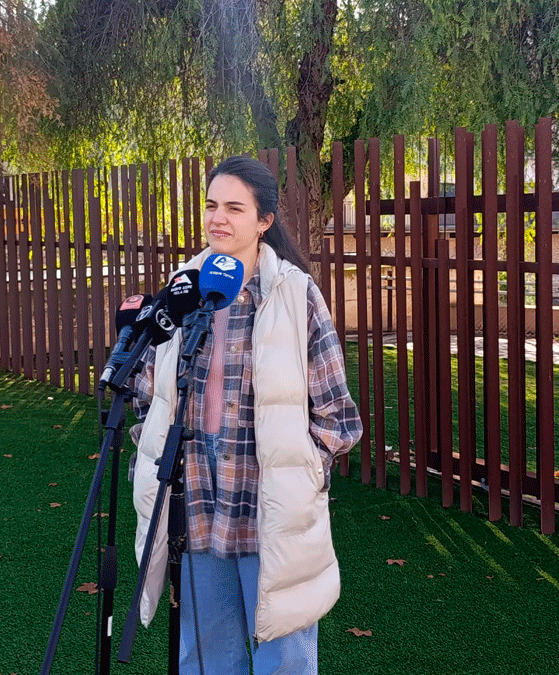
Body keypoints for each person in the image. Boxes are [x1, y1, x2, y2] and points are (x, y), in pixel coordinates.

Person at [129, 156, 362, 675]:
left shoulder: (295, 294)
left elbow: (337, 416)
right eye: (212, 205)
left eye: (235, 208)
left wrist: (303, 473)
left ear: (264, 221)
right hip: (196, 498)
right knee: (205, 656)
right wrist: (151, 453)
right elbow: (148, 393)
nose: (218, 218)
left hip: (269, 503)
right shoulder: (181, 290)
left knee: (285, 659)